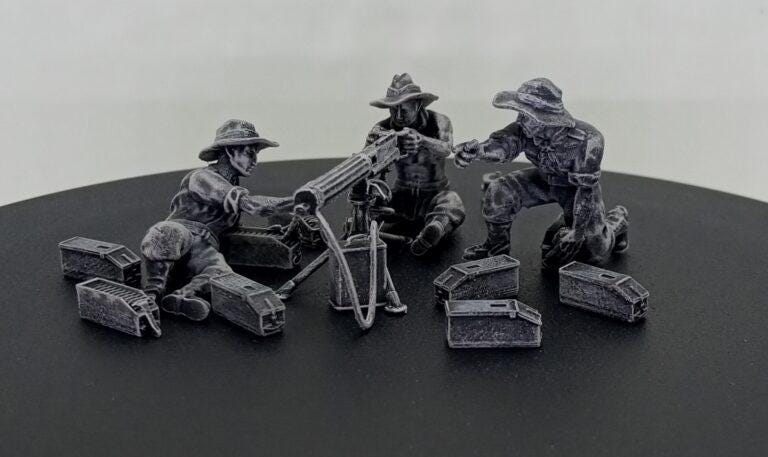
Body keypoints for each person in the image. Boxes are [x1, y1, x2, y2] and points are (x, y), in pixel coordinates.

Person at [454, 78, 629, 269]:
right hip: (543, 180)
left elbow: (585, 190)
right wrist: (478, 151)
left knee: (593, 250)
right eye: (520, 114)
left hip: (576, 190)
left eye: (526, 115)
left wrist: (578, 232)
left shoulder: (588, 140)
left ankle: (617, 221)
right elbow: (502, 145)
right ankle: (496, 250)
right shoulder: (524, 129)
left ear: (546, 118)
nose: (520, 120)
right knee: (499, 191)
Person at [140, 119, 294, 321]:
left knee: (222, 274)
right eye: (250, 153)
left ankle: (183, 297)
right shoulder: (202, 177)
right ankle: (150, 294)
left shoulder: (233, 187)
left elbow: (229, 229)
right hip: (182, 232)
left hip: (205, 246)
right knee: (166, 234)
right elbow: (251, 204)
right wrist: (294, 201)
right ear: (230, 150)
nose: (255, 161)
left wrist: (267, 235)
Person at [365, 73, 465, 256]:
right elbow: (366, 164)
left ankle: (434, 231)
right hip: (401, 195)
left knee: (453, 204)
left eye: (404, 110)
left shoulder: (439, 121)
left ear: (417, 104)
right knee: (369, 205)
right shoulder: (382, 128)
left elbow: (446, 148)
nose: (398, 116)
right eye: (393, 110)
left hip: (434, 192)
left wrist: (422, 140)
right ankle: (362, 230)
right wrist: (374, 145)